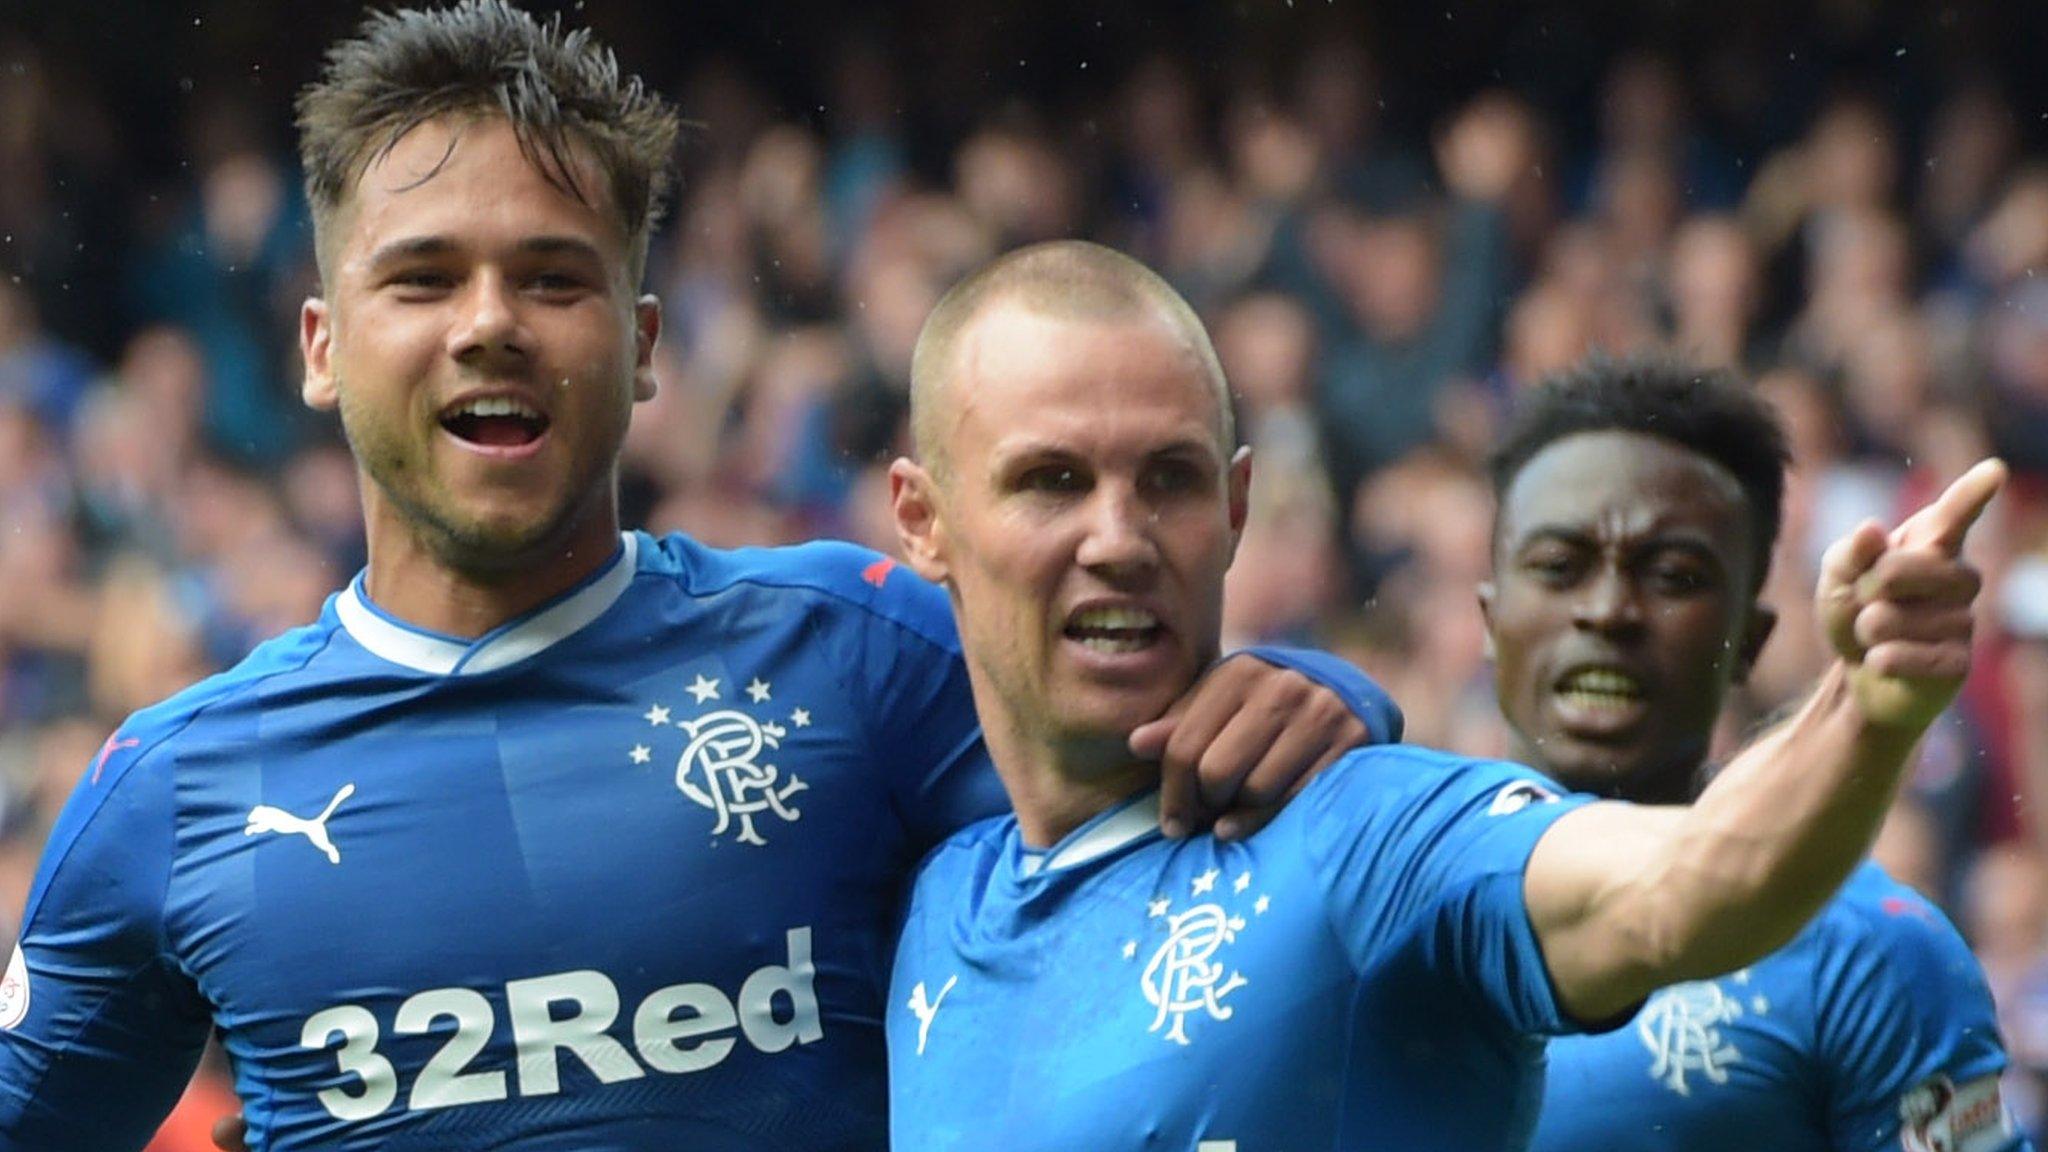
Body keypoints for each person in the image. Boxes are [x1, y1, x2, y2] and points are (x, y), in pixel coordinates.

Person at [0, 7, 1395, 1151]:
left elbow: (1195, 750)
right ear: (318, 346)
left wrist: (1318, 698)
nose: (489, 323)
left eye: (553, 279)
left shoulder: (860, 652)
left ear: (646, 339)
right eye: (422, 279)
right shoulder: (174, 792)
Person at [881, 239, 2003, 1150]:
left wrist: (1864, 706)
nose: (1116, 538)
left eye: (1167, 478)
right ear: (922, 522)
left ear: (1234, 510)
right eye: (1051, 481)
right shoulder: (919, 897)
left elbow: (1693, 882)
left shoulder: (1367, 837)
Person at [1477, 358, 2030, 1152]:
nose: (1609, 610)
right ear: (1489, 621)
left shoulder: (1872, 953)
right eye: (1560, 568)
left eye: (1673, 575)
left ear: (1749, 640)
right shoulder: (1355, 908)